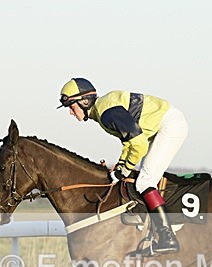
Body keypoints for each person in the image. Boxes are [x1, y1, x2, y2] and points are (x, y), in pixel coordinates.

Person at [57, 77, 188, 254]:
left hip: (170, 125)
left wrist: (123, 169)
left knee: (144, 182)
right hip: (164, 123)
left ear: (84, 101)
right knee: (142, 177)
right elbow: (129, 144)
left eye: (71, 106)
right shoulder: (103, 110)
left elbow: (139, 144)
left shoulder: (106, 113)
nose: (71, 113)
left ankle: (168, 237)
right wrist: (120, 165)